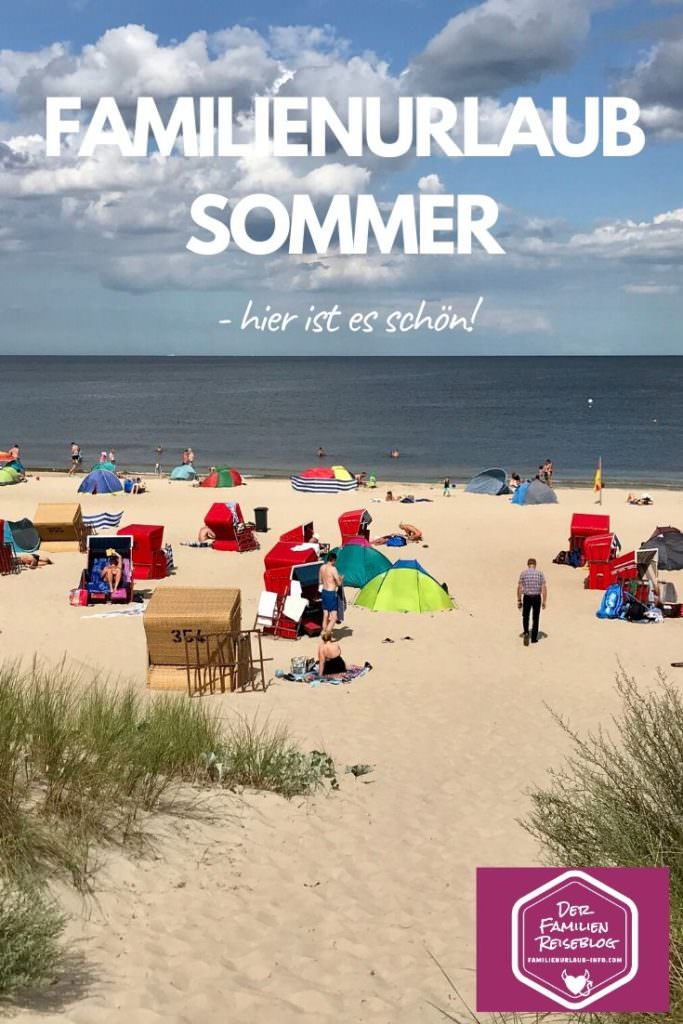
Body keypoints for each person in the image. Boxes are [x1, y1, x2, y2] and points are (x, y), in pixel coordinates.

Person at [517, 557, 547, 646]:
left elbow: (519, 588)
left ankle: (526, 632)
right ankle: (534, 638)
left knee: (525, 616)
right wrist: (544, 601)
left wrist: (519, 600)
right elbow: (543, 588)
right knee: (535, 617)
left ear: (528, 564)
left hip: (527, 597)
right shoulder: (540, 574)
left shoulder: (523, 574)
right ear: (535, 565)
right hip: (537, 597)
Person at [319, 552, 343, 632]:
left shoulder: (322, 567)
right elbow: (339, 583)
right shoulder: (333, 569)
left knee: (325, 615)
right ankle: (327, 635)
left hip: (324, 591)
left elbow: (320, 581)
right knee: (334, 618)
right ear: (333, 560)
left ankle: (324, 633)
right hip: (331, 593)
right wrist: (341, 579)